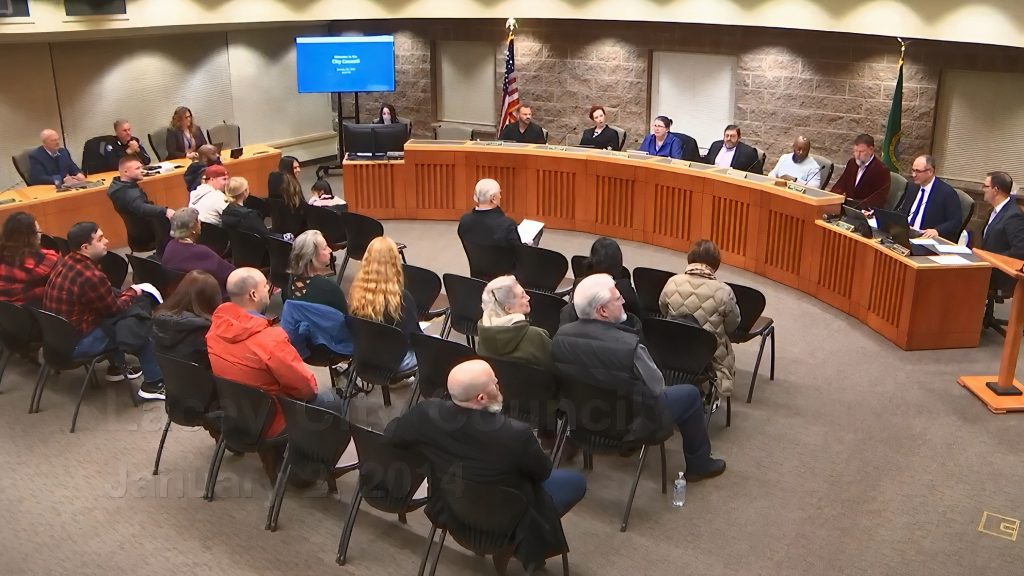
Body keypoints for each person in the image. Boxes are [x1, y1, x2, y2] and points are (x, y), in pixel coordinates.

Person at [386, 359, 585, 572]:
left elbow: (392, 435)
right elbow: (542, 472)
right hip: (511, 519)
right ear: (481, 397)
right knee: (576, 482)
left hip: (454, 509)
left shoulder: (426, 413)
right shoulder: (515, 434)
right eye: (494, 382)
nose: (499, 384)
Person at [552, 273, 726, 481]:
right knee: (689, 394)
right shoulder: (630, 347)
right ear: (603, 311)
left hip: (582, 420)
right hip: (629, 428)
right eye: (617, 299)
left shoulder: (559, 337)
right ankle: (699, 464)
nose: (624, 300)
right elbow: (657, 387)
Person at [207, 267, 345, 479]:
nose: (270, 291)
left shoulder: (214, 329)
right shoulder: (270, 339)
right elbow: (306, 388)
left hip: (237, 412)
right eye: (266, 287)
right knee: (332, 403)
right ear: (253, 294)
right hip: (272, 419)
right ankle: (309, 470)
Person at [42, 222, 164, 399]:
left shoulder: (66, 262)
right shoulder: (91, 276)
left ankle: (117, 368)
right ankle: (154, 385)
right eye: (100, 239)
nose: (106, 241)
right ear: (85, 247)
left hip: (56, 342)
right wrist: (133, 291)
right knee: (140, 325)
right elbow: (114, 309)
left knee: (113, 319)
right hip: (76, 345)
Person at [659, 240, 741, 397]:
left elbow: (663, 311)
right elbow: (732, 326)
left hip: (672, 349)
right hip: (708, 356)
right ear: (715, 265)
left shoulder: (672, 283)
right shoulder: (724, 292)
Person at [348, 236, 421, 371]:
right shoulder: (402, 299)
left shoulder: (356, 296)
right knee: (436, 342)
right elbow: (415, 338)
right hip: (395, 362)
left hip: (367, 357)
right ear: (395, 263)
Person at [477, 275, 554, 370]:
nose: (528, 297)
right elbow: (554, 368)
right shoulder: (536, 336)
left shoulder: (484, 335)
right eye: (522, 296)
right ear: (509, 309)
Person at [106, 156, 174, 257]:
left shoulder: (116, 186)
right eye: (137, 169)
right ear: (125, 172)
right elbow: (141, 207)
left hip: (135, 236)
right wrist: (165, 211)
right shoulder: (131, 194)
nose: (142, 171)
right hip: (148, 237)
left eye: (141, 168)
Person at [152, 270, 221, 367]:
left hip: (172, 377)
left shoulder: (158, 319)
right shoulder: (205, 332)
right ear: (211, 299)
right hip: (202, 379)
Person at [161, 207, 235, 293]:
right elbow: (229, 273)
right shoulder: (202, 252)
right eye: (197, 220)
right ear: (193, 229)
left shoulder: (170, 246)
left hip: (180, 295)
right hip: (207, 297)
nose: (200, 222)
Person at [0, 211, 60, 306]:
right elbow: (62, 288)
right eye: (38, 231)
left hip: (5, 317)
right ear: (30, 237)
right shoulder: (48, 259)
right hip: (36, 316)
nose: (40, 234)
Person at [898, 154, 962, 241]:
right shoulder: (912, 187)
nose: (913, 175)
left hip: (925, 238)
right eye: (913, 170)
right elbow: (903, 211)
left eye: (918, 171)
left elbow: (955, 222)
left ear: (930, 171)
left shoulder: (947, 193)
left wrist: (937, 230)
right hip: (906, 234)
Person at [979, 171, 1024, 294]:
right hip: (987, 267)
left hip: (999, 275)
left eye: (986, 186)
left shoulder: (1013, 215)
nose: (983, 189)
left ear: (996, 190)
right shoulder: (994, 211)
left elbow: (1020, 250)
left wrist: (992, 259)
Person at [284, 230, 347, 314]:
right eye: (325, 248)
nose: (330, 250)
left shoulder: (289, 284)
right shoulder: (329, 288)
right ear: (311, 255)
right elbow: (344, 316)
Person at [830, 133, 890, 210]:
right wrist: (831, 197)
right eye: (855, 151)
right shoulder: (852, 163)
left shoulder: (881, 170)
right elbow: (841, 184)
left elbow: (878, 198)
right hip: (847, 208)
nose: (857, 155)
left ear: (871, 150)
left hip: (865, 212)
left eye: (861, 152)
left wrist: (854, 205)